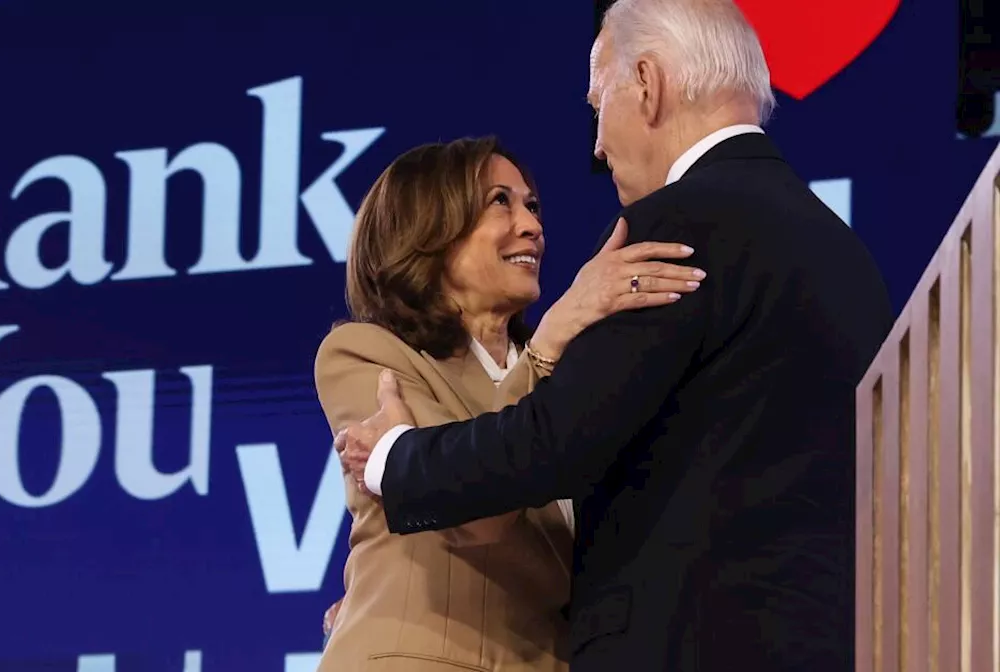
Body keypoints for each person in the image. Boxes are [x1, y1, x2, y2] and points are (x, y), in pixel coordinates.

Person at [334, 1, 895, 671]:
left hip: (682, 642)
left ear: (649, 86)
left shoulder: (677, 225)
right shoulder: (847, 256)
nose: (597, 145)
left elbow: (557, 440)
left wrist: (397, 460)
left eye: (601, 104)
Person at [314, 136, 702, 671]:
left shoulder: (573, 376)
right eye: (501, 202)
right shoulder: (370, 355)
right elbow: (473, 508)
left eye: (533, 206)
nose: (532, 226)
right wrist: (551, 341)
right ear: (427, 226)